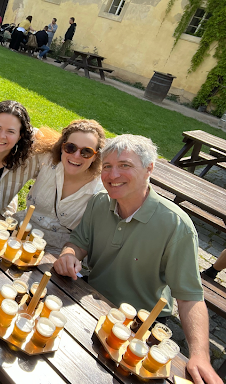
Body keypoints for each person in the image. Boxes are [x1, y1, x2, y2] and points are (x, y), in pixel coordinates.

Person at [53, 134, 222, 384]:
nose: (112, 175)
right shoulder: (101, 202)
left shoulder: (176, 225)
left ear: (149, 169)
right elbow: (78, 242)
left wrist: (199, 355)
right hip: (93, 300)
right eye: (107, 166)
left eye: (125, 165)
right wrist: (69, 255)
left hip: (141, 325)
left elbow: (189, 297)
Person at [14, 120, 105, 255]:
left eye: (86, 152)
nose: (76, 156)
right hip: (21, 229)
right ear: (62, 147)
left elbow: (90, 237)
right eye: (70, 147)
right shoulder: (47, 160)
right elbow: (17, 128)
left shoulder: (99, 190)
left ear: (95, 156)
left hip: (57, 251)